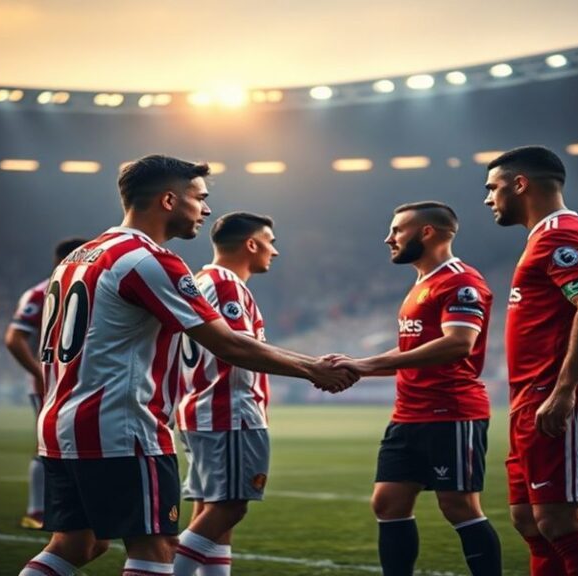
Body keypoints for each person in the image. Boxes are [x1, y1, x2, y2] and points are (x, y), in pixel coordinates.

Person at [19, 155, 357, 576]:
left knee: (78, 544)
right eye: (199, 198)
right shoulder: (147, 260)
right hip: (121, 427)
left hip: (60, 421)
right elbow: (227, 344)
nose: (207, 209)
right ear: (168, 200)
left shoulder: (80, 256)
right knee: (157, 549)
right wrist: (313, 369)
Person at [335, 201, 502, 576]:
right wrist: (361, 366)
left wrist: (366, 364)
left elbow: (459, 342)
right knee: (387, 503)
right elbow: (413, 350)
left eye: (397, 230)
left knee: (459, 506)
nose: (388, 238)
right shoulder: (421, 284)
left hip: (451, 410)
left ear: (427, 232)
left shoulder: (461, 281)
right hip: (409, 412)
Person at [483, 146, 578, 576]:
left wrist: (564, 391)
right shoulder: (548, 236)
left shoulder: (560, 234)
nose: (489, 198)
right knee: (530, 520)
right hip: (535, 398)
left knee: (560, 521)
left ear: (520, 184)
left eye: (493, 188)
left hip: (565, 399)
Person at [173, 212, 280, 575]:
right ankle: (161, 570)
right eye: (271, 241)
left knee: (213, 513)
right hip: (227, 411)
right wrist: (313, 368)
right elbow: (239, 348)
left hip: (201, 409)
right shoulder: (225, 285)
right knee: (231, 506)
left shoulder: (200, 281)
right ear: (251, 244)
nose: (274, 252)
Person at [5, 237, 88, 530]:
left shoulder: (88, 290)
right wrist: (40, 373)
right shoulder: (40, 293)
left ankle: (72, 510)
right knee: (48, 447)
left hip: (84, 383)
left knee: (79, 447)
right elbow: (14, 338)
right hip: (50, 385)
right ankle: (37, 511)